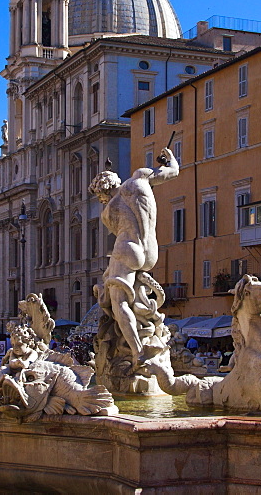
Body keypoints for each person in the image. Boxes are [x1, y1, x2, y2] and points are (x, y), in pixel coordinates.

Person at [89, 147, 180, 368]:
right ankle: (145, 329)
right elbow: (174, 171)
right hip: (150, 252)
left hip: (127, 249)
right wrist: (169, 158)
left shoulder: (106, 212)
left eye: (99, 197)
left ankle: (138, 352)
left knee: (119, 302)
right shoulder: (140, 177)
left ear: (102, 193)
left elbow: (119, 229)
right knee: (134, 293)